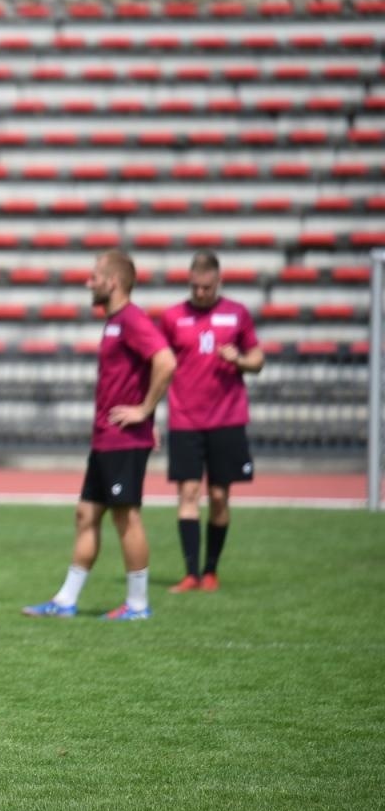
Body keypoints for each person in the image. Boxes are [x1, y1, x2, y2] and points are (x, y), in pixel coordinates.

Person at [25, 250, 176, 621]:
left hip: (123, 438)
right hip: (107, 438)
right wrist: (147, 411)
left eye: (94, 277)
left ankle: (137, 605)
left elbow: (166, 360)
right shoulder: (114, 322)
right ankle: (65, 601)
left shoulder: (131, 319)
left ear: (113, 281)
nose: (88, 283)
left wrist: (144, 410)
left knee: (126, 518)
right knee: (86, 514)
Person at [160, 252, 263, 593]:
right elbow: (160, 364)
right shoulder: (173, 317)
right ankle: (191, 573)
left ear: (219, 282)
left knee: (219, 496)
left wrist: (241, 360)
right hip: (185, 419)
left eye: (206, 287)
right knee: (188, 493)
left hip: (226, 418)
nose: (200, 293)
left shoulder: (237, 314)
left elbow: (258, 359)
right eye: (194, 287)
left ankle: (211, 571)